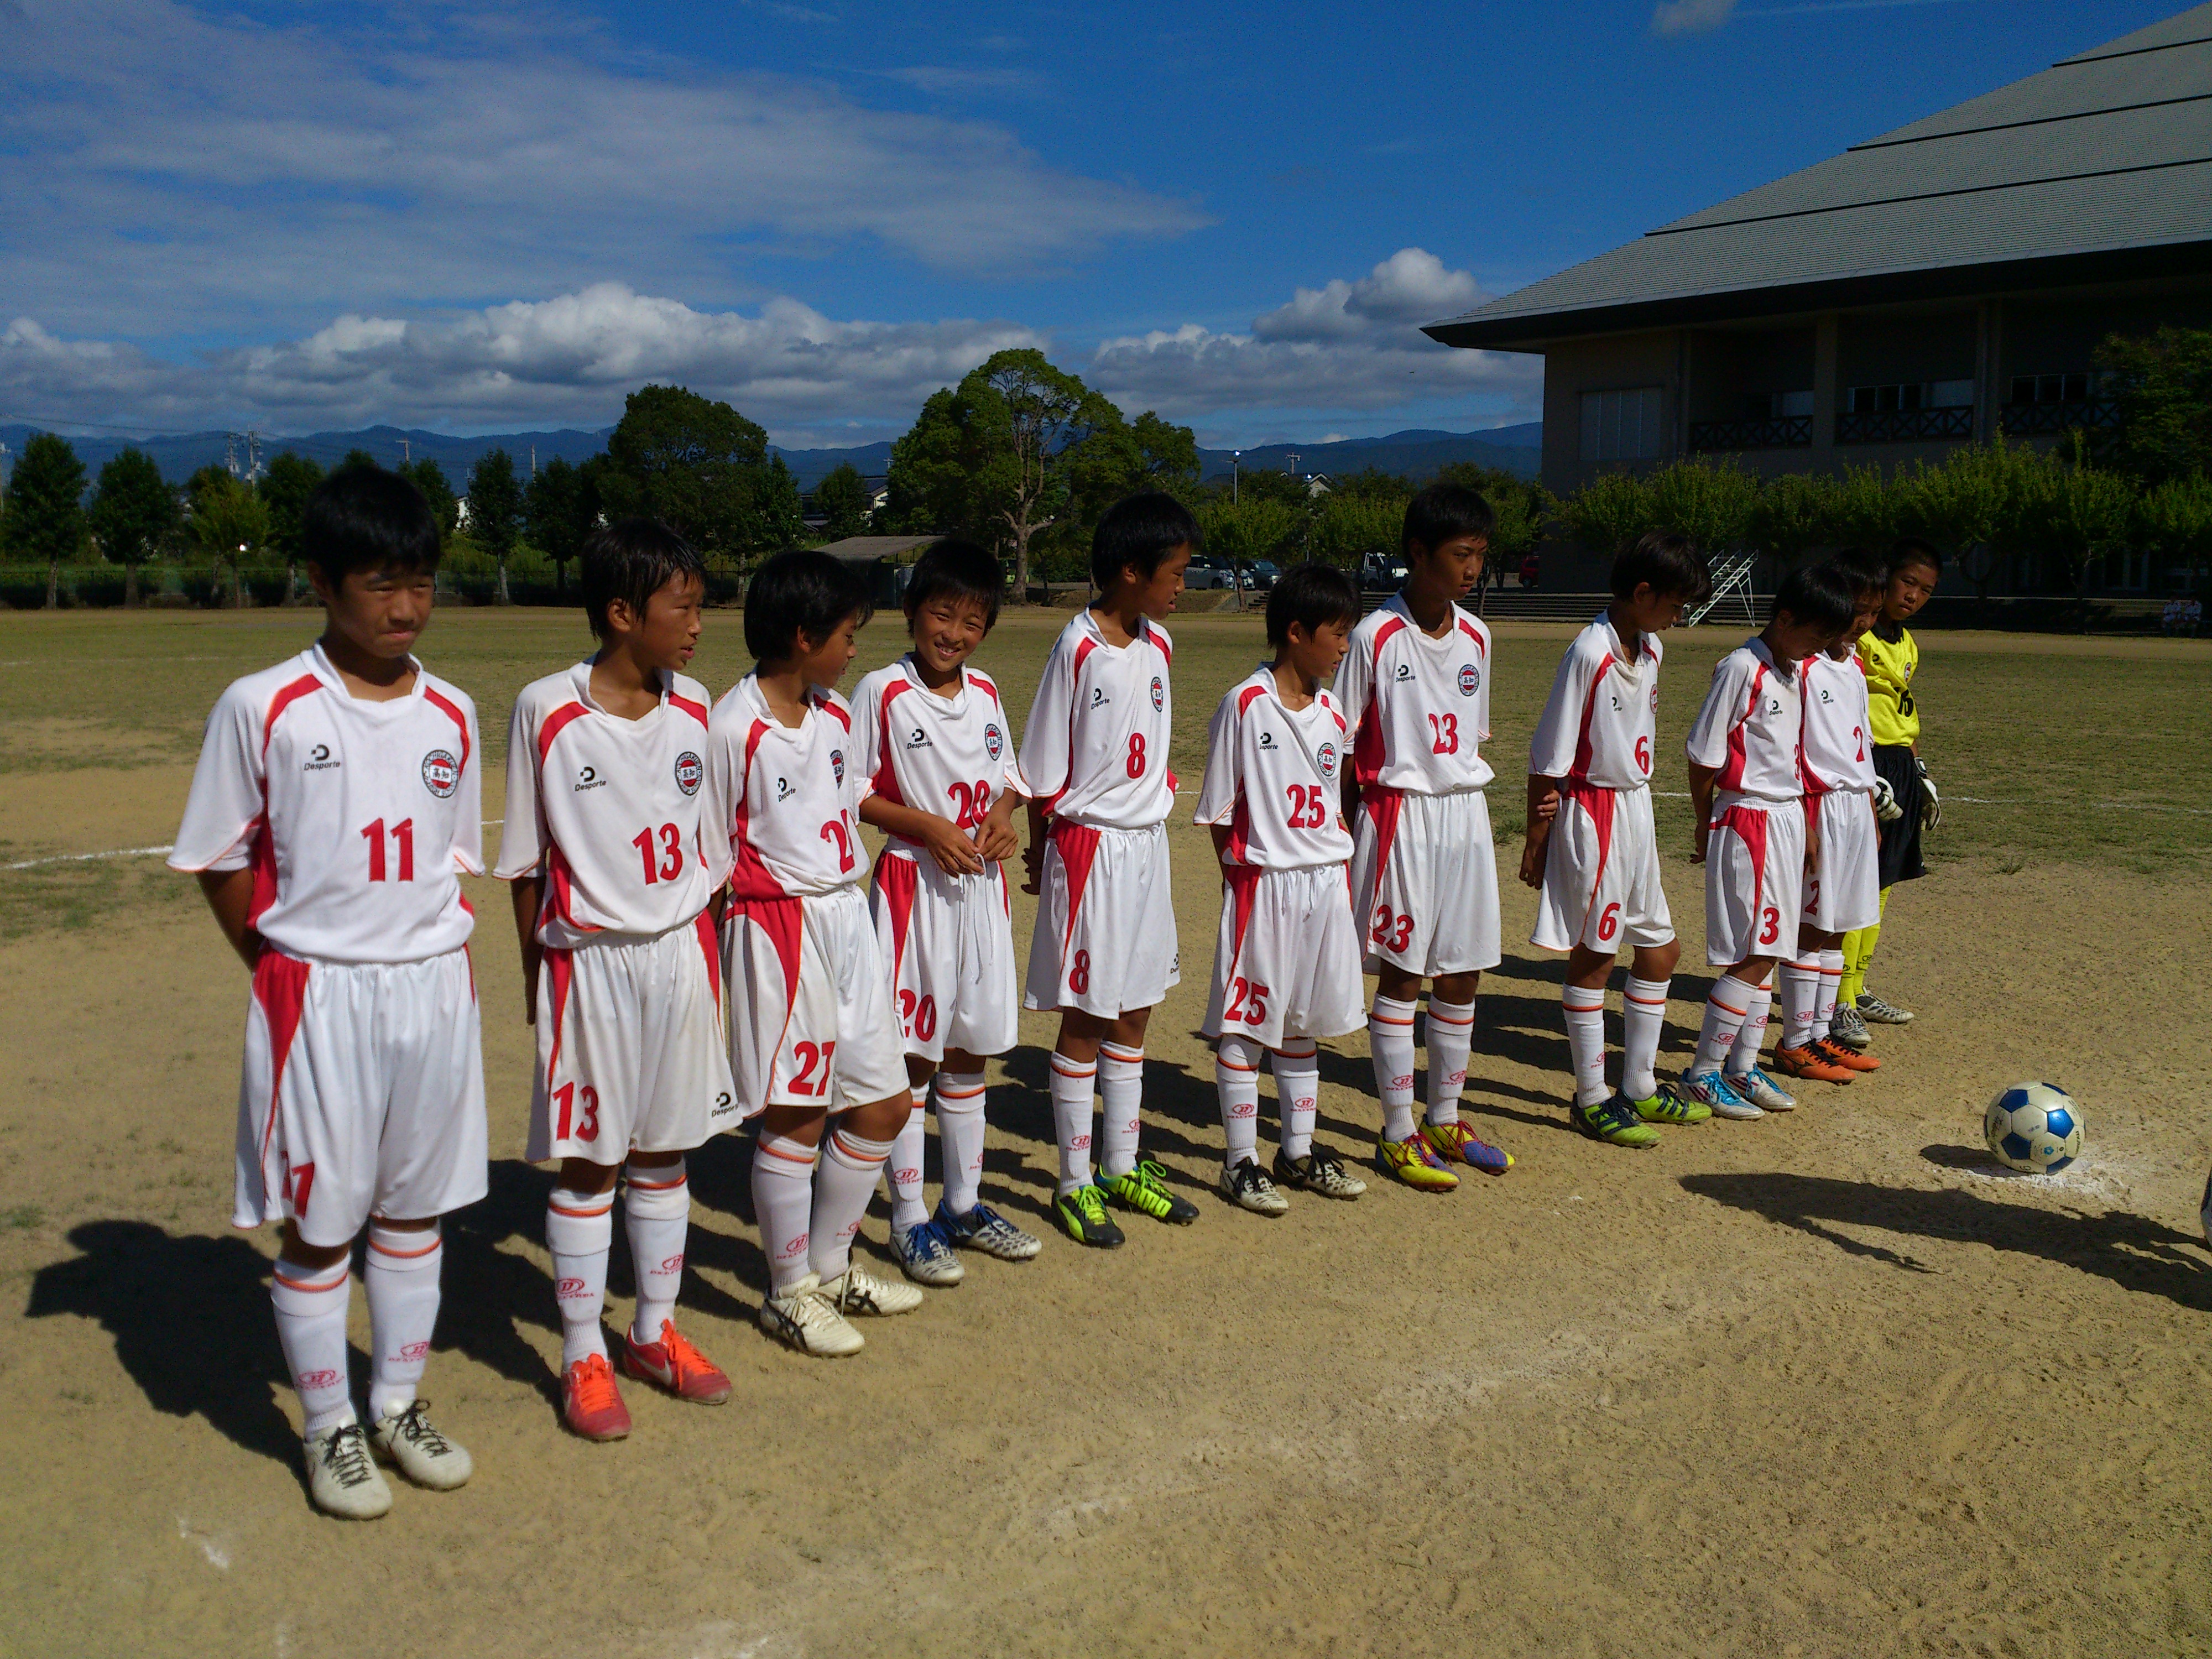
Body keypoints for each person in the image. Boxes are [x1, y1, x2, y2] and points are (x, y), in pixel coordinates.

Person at [168, 466, 483, 1519]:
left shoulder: (453, 711)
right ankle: (327, 1427)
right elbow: (219, 859)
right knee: (321, 1223)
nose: (405, 608)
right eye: (380, 582)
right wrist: (274, 961)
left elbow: (448, 862)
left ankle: (395, 1403)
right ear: (322, 581)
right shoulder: (262, 705)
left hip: (435, 990)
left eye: (423, 583)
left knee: (413, 1213)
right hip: (320, 996)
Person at [496, 519, 740, 1441]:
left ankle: (652, 1331)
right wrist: (535, 979)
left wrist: (703, 957)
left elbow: (707, 845)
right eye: (684, 606)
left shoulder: (697, 708)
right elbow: (525, 864)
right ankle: (580, 1354)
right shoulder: (545, 711)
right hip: (587, 964)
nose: (698, 625)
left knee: (667, 1152)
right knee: (591, 1159)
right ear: (621, 613)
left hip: (678, 953)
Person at [704, 550, 922, 1357]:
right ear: (802, 637)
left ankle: (832, 1269)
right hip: (778, 928)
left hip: (846, 920)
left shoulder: (833, 715)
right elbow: (710, 849)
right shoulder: (732, 727)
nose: (855, 648)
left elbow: (850, 798)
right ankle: (787, 1288)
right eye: (846, 633)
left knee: (883, 1103)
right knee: (796, 1115)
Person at [853, 540, 1042, 1284]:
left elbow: (1006, 780)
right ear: (911, 611)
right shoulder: (883, 690)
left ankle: (962, 1204)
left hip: (979, 896)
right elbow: (853, 792)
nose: (954, 633)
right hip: (912, 891)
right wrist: (925, 826)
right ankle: (906, 1218)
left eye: (972, 622)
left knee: (970, 1049)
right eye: (941, 614)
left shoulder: (988, 691)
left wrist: (1004, 815)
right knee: (911, 1053)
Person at [1020, 491, 1197, 1248]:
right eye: (1176, 571)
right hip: (1089, 846)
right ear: (1130, 572)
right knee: (1089, 1016)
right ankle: (1073, 1182)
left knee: (1137, 1007)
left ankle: (1122, 1163)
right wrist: (1039, 853)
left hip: (1146, 845)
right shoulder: (1079, 646)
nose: (1184, 584)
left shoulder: (1159, 645)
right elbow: (1042, 773)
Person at [1334, 484, 1512, 1192]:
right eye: (1461, 555)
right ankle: (1397, 1131)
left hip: (1463, 815)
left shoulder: (1478, 636)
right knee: (1404, 974)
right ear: (1418, 553)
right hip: (1399, 813)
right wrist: (1345, 832)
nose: (1472, 570)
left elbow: (1473, 733)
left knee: (1463, 968)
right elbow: (1343, 745)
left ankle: (1445, 1114)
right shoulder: (1374, 634)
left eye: (1480, 557)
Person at [1519, 531, 1714, 1149]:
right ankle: (1590, 1096)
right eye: (1675, 603)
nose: (1679, 617)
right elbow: (1547, 756)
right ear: (1641, 592)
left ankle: (1638, 1083)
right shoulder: (1589, 652)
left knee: (1660, 951)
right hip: (1593, 814)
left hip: (1635, 809)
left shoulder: (1649, 646)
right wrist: (1536, 838)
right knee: (1596, 957)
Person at [1193, 563, 1372, 1214]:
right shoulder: (1244, 704)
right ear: (1296, 633)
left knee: (1302, 1021)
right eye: (1337, 632)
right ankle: (1239, 1161)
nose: (1345, 645)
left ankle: (1298, 1152)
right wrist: (1240, 883)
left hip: (1326, 882)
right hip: (1264, 884)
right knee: (1245, 1023)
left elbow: (1334, 802)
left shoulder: (1332, 713)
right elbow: (1218, 812)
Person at [1678, 561, 1859, 1120]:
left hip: (1783, 819)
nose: (1816, 650)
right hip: (1748, 820)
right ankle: (1703, 1073)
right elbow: (1702, 755)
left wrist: (1804, 826)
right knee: (1756, 953)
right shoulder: (1740, 668)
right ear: (1783, 617)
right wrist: (1708, 823)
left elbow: (1790, 760)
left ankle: (1741, 1066)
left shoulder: (1793, 671)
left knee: (1773, 949)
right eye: (1813, 636)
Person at [1772, 552, 1892, 1086]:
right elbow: (1793, 746)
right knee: (1810, 924)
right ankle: (1795, 1039)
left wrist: (1869, 803)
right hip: (1820, 803)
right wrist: (1805, 816)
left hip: (1855, 808)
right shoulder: (1805, 666)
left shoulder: (1856, 667)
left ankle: (1821, 1032)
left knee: (1840, 924)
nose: (1861, 623)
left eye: (1871, 613)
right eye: (1855, 612)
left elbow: (1860, 743)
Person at [1837, 538, 1942, 1037]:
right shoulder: (1858, 638)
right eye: (1907, 583)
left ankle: (1857, 988)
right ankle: (1837, 998)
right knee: (1853, 886)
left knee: (1881, 886)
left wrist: (1918, 773)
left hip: (1898, 764)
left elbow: (1904, 712)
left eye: (1926, 590)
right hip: (1867, 761)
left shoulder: (1907, 644)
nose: (1914, 596)